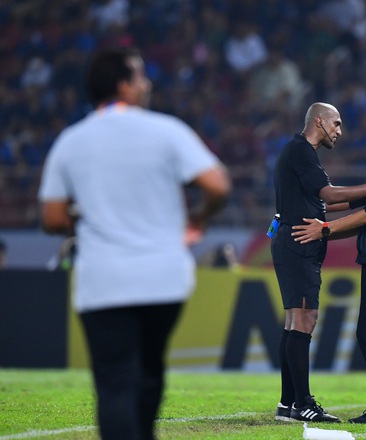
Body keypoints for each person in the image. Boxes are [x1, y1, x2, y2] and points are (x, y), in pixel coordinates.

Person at [38, 47, 231, 440]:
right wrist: (199, 217)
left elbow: (52, 219)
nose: (147, 84)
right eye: (141, 76)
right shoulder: (166, 129)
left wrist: (86, 212)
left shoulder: (71, 141)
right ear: (123, 85)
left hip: (105, 283)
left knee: (115, 385)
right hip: (163, 280)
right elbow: (217, 185)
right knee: (149, 372)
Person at [271, 102, 366, 423]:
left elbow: (324, 203)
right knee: (304, 319)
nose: (339, 131)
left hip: (292, 239)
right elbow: (330, 196)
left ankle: (288, 403)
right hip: (299, 243)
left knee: (295, 320)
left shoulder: (297, 152)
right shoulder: (302, 152)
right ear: (319, 121)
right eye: (336, 124)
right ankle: (302, 403)